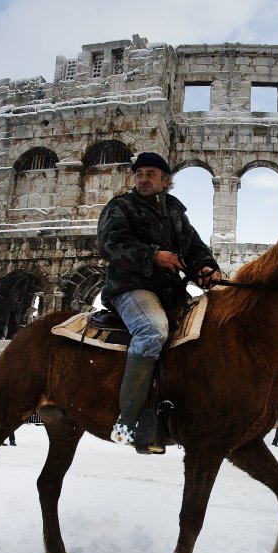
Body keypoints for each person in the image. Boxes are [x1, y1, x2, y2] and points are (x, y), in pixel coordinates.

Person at [96, 151, 221, 449]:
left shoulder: (176, 214)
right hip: (131, 287)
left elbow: (195, 249)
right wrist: (152, 255)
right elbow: (110, 244)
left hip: (170, 293)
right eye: (139, 174)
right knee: (152, 331)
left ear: (166, 181)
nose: (143, 179)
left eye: (150, 174)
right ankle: (127, 424)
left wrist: (205, 268)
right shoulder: (121, 206)